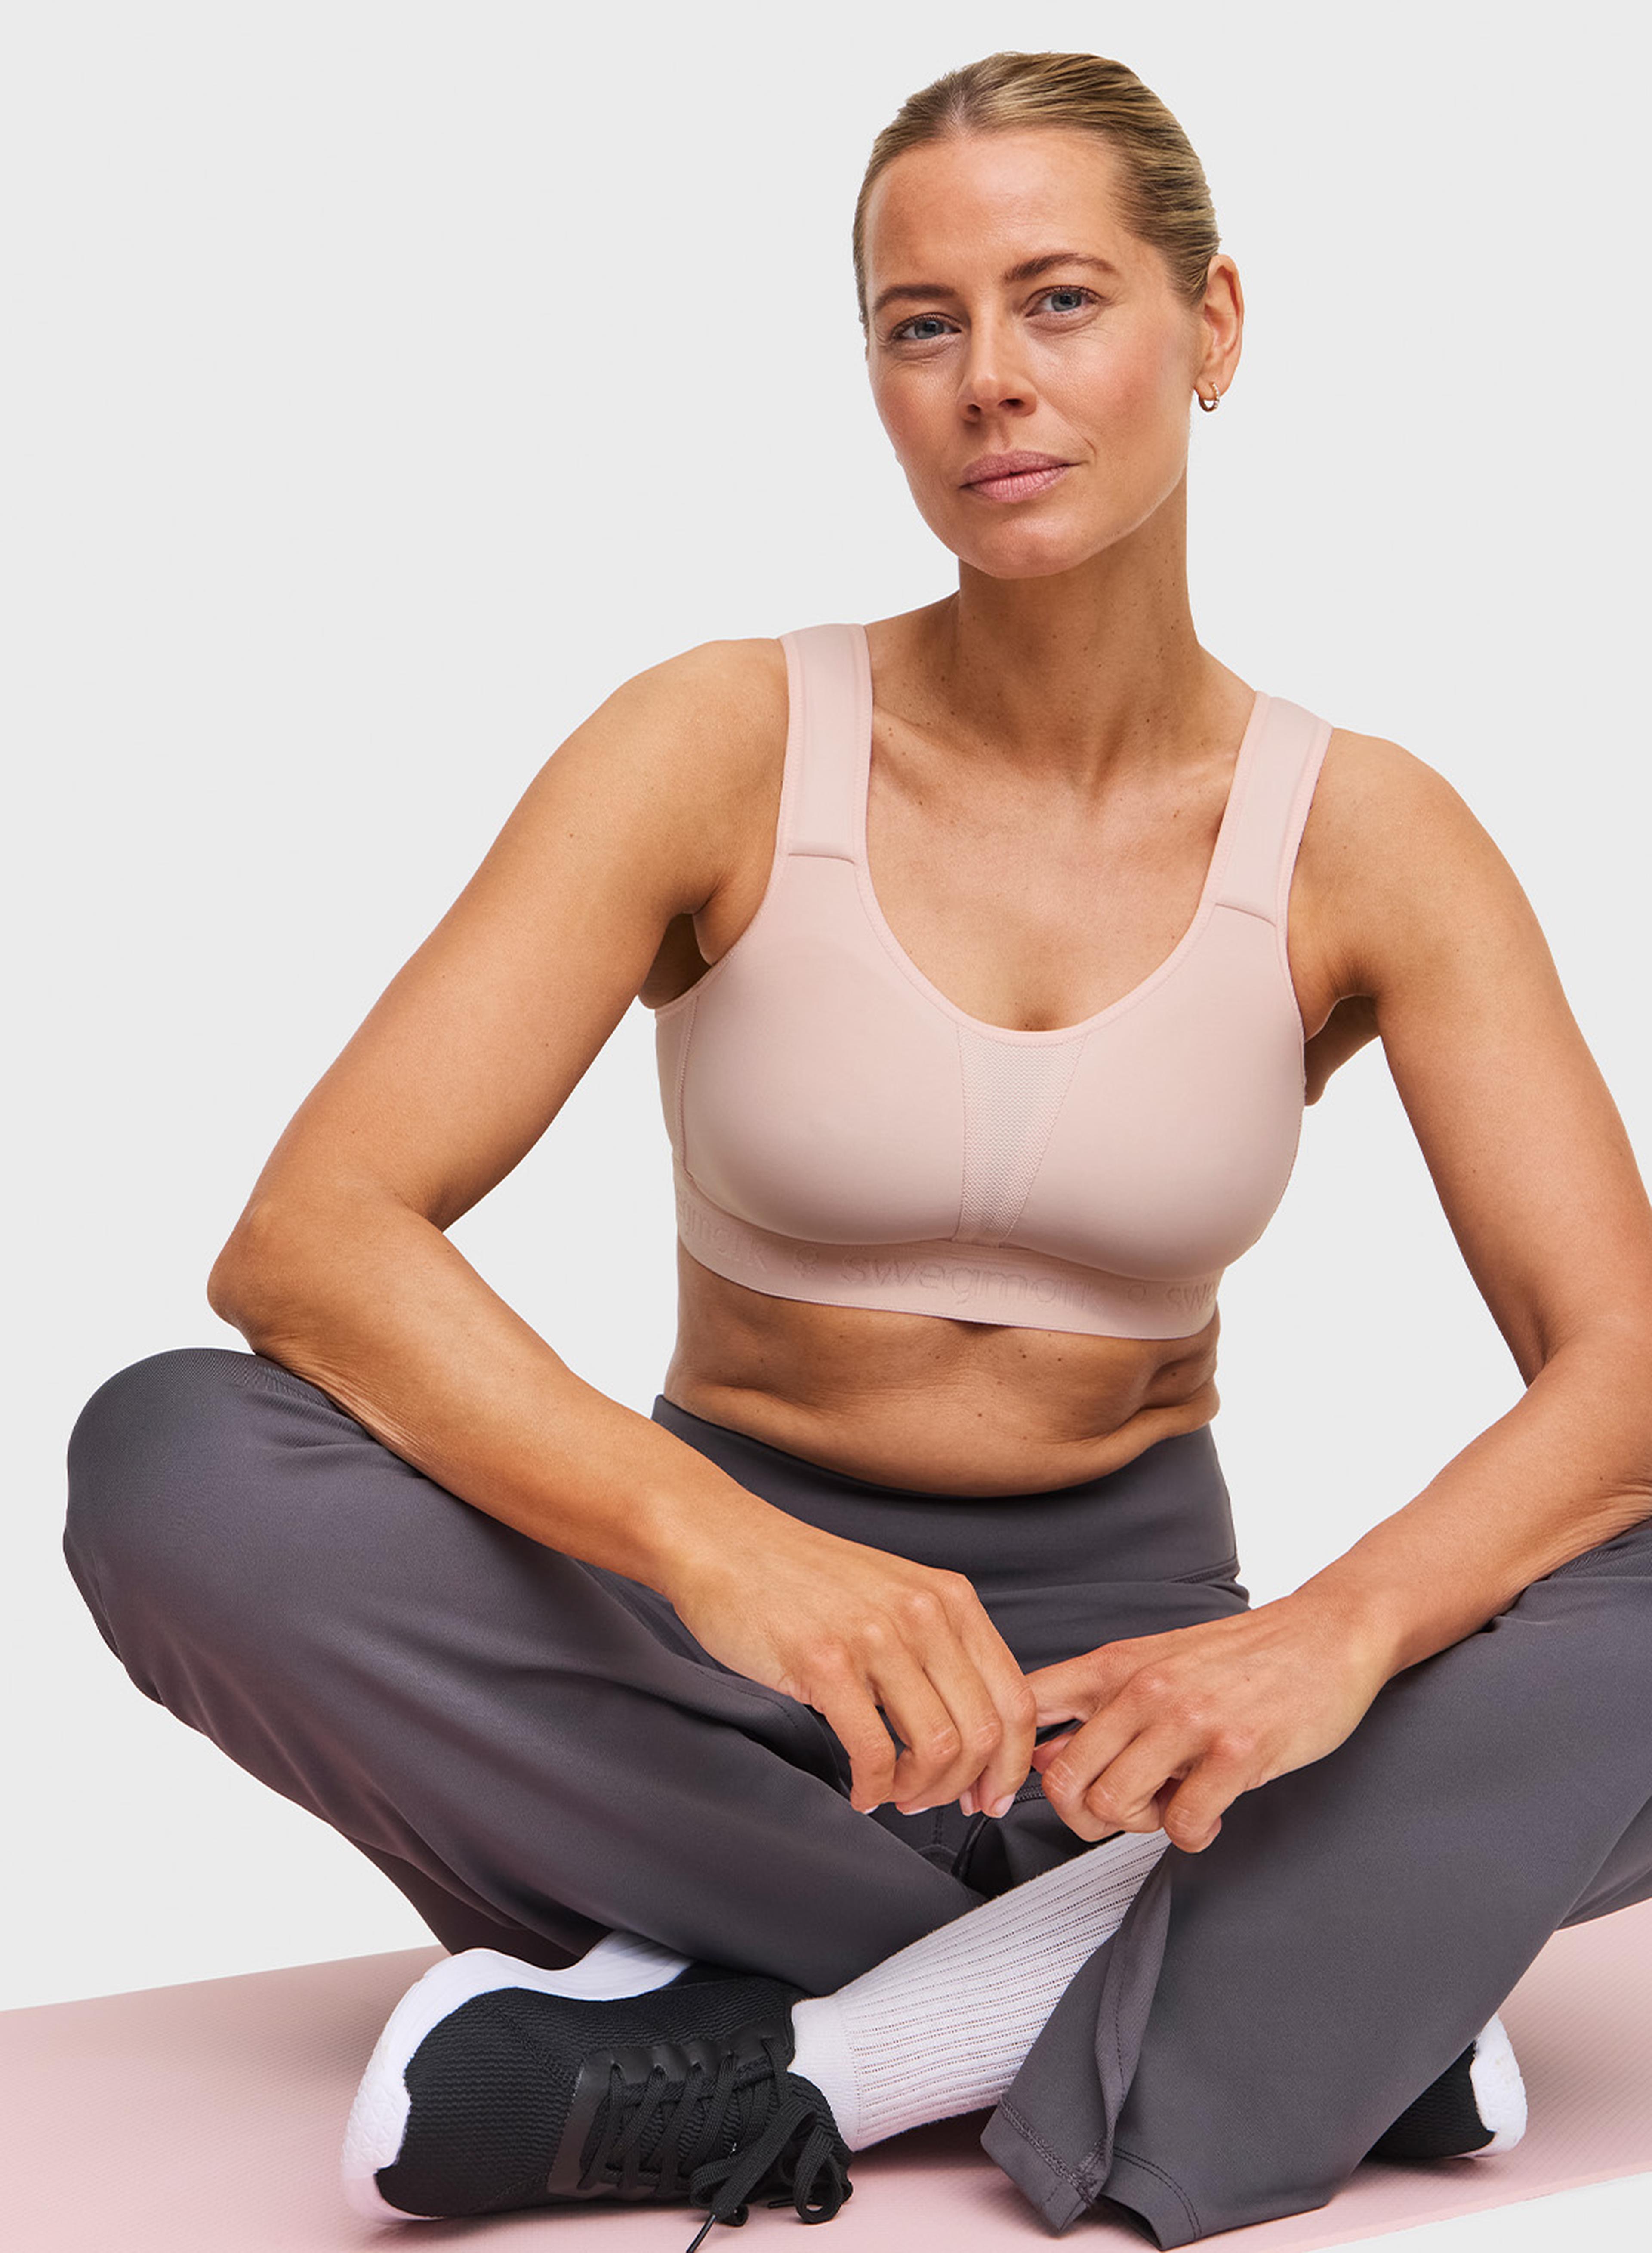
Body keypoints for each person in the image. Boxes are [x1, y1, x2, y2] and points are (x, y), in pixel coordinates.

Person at [60, 45, 1652, 2253]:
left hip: (1135, 1719)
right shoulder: (716, 738)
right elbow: (315, 1240)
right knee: (172, 1459)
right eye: (926, 324)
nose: (993, 378)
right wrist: (726, 1549)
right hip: (709, 1673)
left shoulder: (1373, 837)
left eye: (1064, 299)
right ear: (881, 379)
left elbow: (1626, 1370)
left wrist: (1338, 1639)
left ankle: (823, 2045)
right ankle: (1294, 1976)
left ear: (1214, 327)